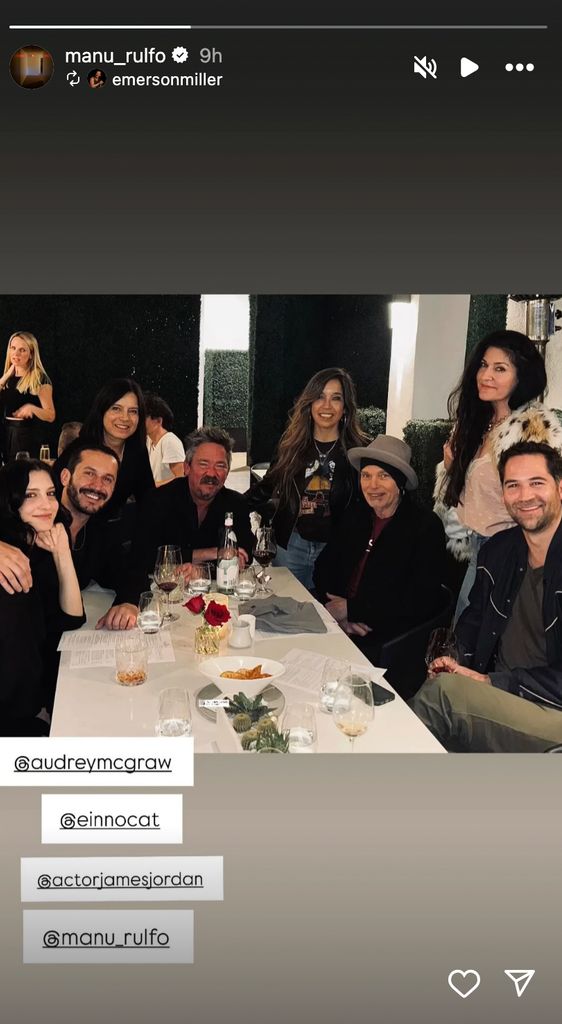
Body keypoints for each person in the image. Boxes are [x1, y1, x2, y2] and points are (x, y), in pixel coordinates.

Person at [413, 441, 562, 752]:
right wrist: (456, 659)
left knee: (443, 697)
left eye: (537, 483)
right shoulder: (499, 550)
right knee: (440, 688)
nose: (525, 496)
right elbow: (474, 620)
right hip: (500, 695)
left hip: (550, 708)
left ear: (560, 487)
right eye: (513, 485)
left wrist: (492, 683)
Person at [434, 330, 562, 622]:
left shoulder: (532, 430)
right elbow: (459, 495)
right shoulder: (476, 423)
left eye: (499, 368)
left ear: (522, 377)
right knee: (463, 636)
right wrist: (452, 467)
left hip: (511, 553)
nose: (486, 375)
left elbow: (546, 501)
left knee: (479, 643)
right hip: (471, 547)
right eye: (483, 365)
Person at [314, 435, 447, 660]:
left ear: (400, 481)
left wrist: (352, 610)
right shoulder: (355, 516)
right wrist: (340, 615)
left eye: (383, 476)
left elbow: (420, 600)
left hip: (388, 640)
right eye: (366, 475)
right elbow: (323, 568)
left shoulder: (425, 527)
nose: (372, 485)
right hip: (338, 625)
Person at [246, 367, 369, 590]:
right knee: (285, 610)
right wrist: (228, 506)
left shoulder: (358, 452)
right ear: (309, 402)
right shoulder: (290, 446)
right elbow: (266, 486)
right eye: (320, 397)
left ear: (346, 408)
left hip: (334, 550)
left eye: (336, 398)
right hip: (291, 546)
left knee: (325, 617)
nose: (327, 406)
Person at [0, 459, 84, 733]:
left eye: (50, 493)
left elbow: (70, 619)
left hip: (34, 705)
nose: (46, 505)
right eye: (30, 495)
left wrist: (62, 554)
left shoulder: (38, 546)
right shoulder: (6, 555)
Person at [129, 426, 253, 593]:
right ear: (187, 467)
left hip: (215, 593)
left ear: (227, 471)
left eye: (220, 466)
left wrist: (200, 570)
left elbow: (245, 554)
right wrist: (213, 553)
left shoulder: (236, 504)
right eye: (203, 464)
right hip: (163, 594)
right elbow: (143, 557)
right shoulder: (158, 500)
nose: (212, 473)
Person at [54, 378, 154, 537]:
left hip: (107, 537)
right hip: (67, 533)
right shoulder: (81, 449)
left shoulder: (136, 452)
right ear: (102, 411)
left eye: (133, 411)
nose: (125, 418)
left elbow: (149, 500)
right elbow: (52, 492)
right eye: (116, 408)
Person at [58, 442, 142, 629]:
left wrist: (128, 604)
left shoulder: (97, 531)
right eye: (89, 473)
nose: (97, 486)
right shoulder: (38, 524)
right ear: (65, 477)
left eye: (108, 479)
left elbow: (130, 572)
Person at [0, 332, 55, 461]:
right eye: (13, 348)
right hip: (6, 435)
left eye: (22, 350)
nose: (16, 354)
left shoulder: (39, 378)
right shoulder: (8, 378)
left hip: (27, 439)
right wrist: (5, 377)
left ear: (31, 354)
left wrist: (32, 408)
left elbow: (50, 415)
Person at [144, 392, 185, 485]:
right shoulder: (148, 440)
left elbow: (180, 479)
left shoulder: (170, 441)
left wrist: (153, 486)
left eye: (143, 418)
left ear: (158, 421)